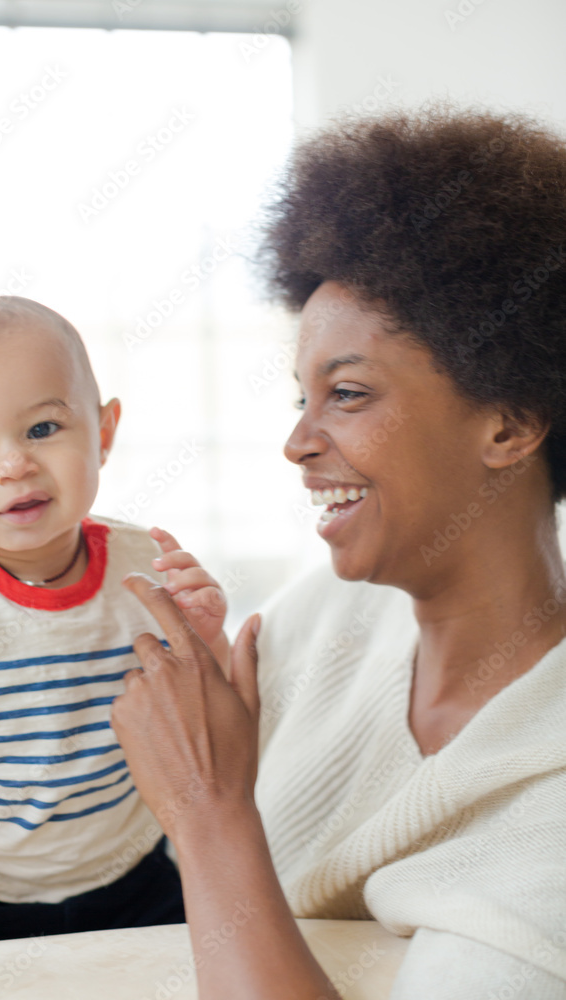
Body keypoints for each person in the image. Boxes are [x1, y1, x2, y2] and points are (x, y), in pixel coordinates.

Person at [110, 107, 566, 998]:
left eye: (348, 394)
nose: (297, 444)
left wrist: (209, 811)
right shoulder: (316, 622)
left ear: (508, 426)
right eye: (301, 398)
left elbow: (207, 829)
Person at [0, 295, 229, 961]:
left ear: (103, 434)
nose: (13, 465)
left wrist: (207, 639)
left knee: (196, 963)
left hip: (128, 868)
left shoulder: (144, 567)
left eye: (43, 429)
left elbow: (208, 714)